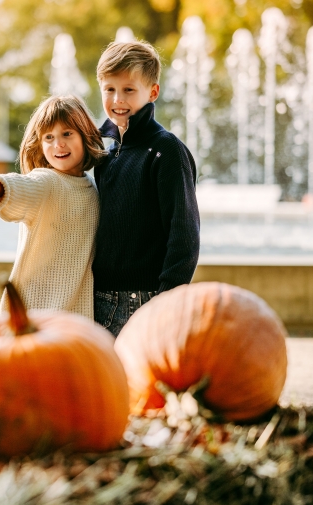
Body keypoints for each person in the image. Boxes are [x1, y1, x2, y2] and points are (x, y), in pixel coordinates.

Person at [92, 40, 200, 337]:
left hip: (144, 299)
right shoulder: (105, 153)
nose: (118, 99)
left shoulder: (166, 150)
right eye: (110, 89)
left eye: (129, 89)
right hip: (98, 296)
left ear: (152, 92)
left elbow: (184, 233)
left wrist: (166, 301)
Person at [0, 95, 105, 319]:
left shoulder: (92, 187)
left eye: (67, 134)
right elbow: (25, 188)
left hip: (76, 316)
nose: (58, 144)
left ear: (85, 136)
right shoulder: (48, 182)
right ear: (40, 145)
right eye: (49, 137)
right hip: (34, 313)